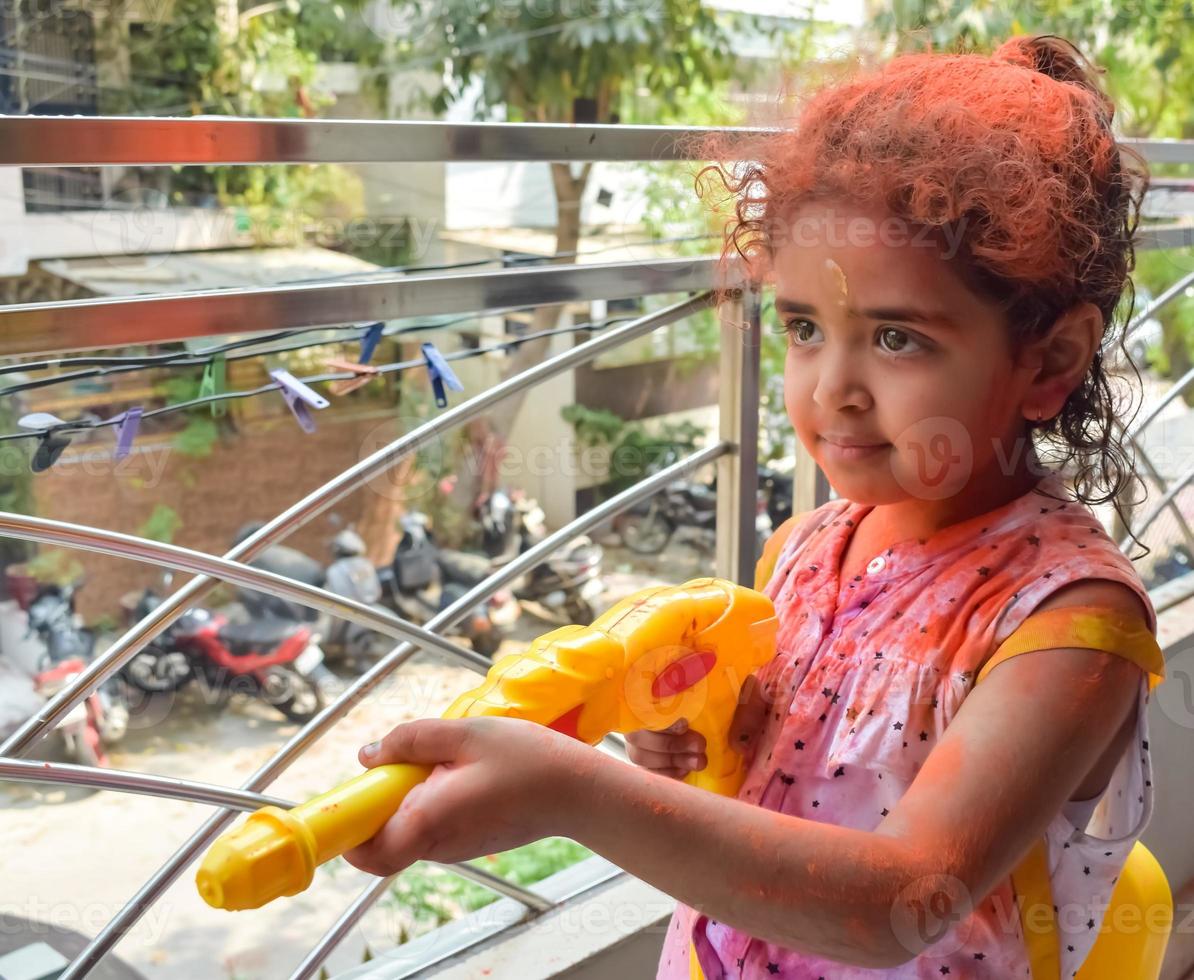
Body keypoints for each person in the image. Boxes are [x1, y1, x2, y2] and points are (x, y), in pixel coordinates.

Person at [342, 34, 1166, 977]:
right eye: (805, 328)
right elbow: (781, 783)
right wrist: (691, 743)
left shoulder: (1069, 628)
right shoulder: (807, 549)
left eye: (897, 338)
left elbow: (902, 901)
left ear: (1050, 361)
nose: (832, 390)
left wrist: (578, 796)